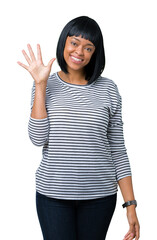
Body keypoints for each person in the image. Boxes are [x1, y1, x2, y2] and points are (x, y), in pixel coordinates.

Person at [17, 16, 140, 240]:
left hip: (100, 197)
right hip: (53, 196)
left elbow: (118, 151)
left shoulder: (108, 89)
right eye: (74, 43)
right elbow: (37, 138)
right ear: (64, 42)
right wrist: (40, 85)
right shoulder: (45, 84)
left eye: (88, 47)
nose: (79, 52)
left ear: (95, 52)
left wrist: (130, 204)